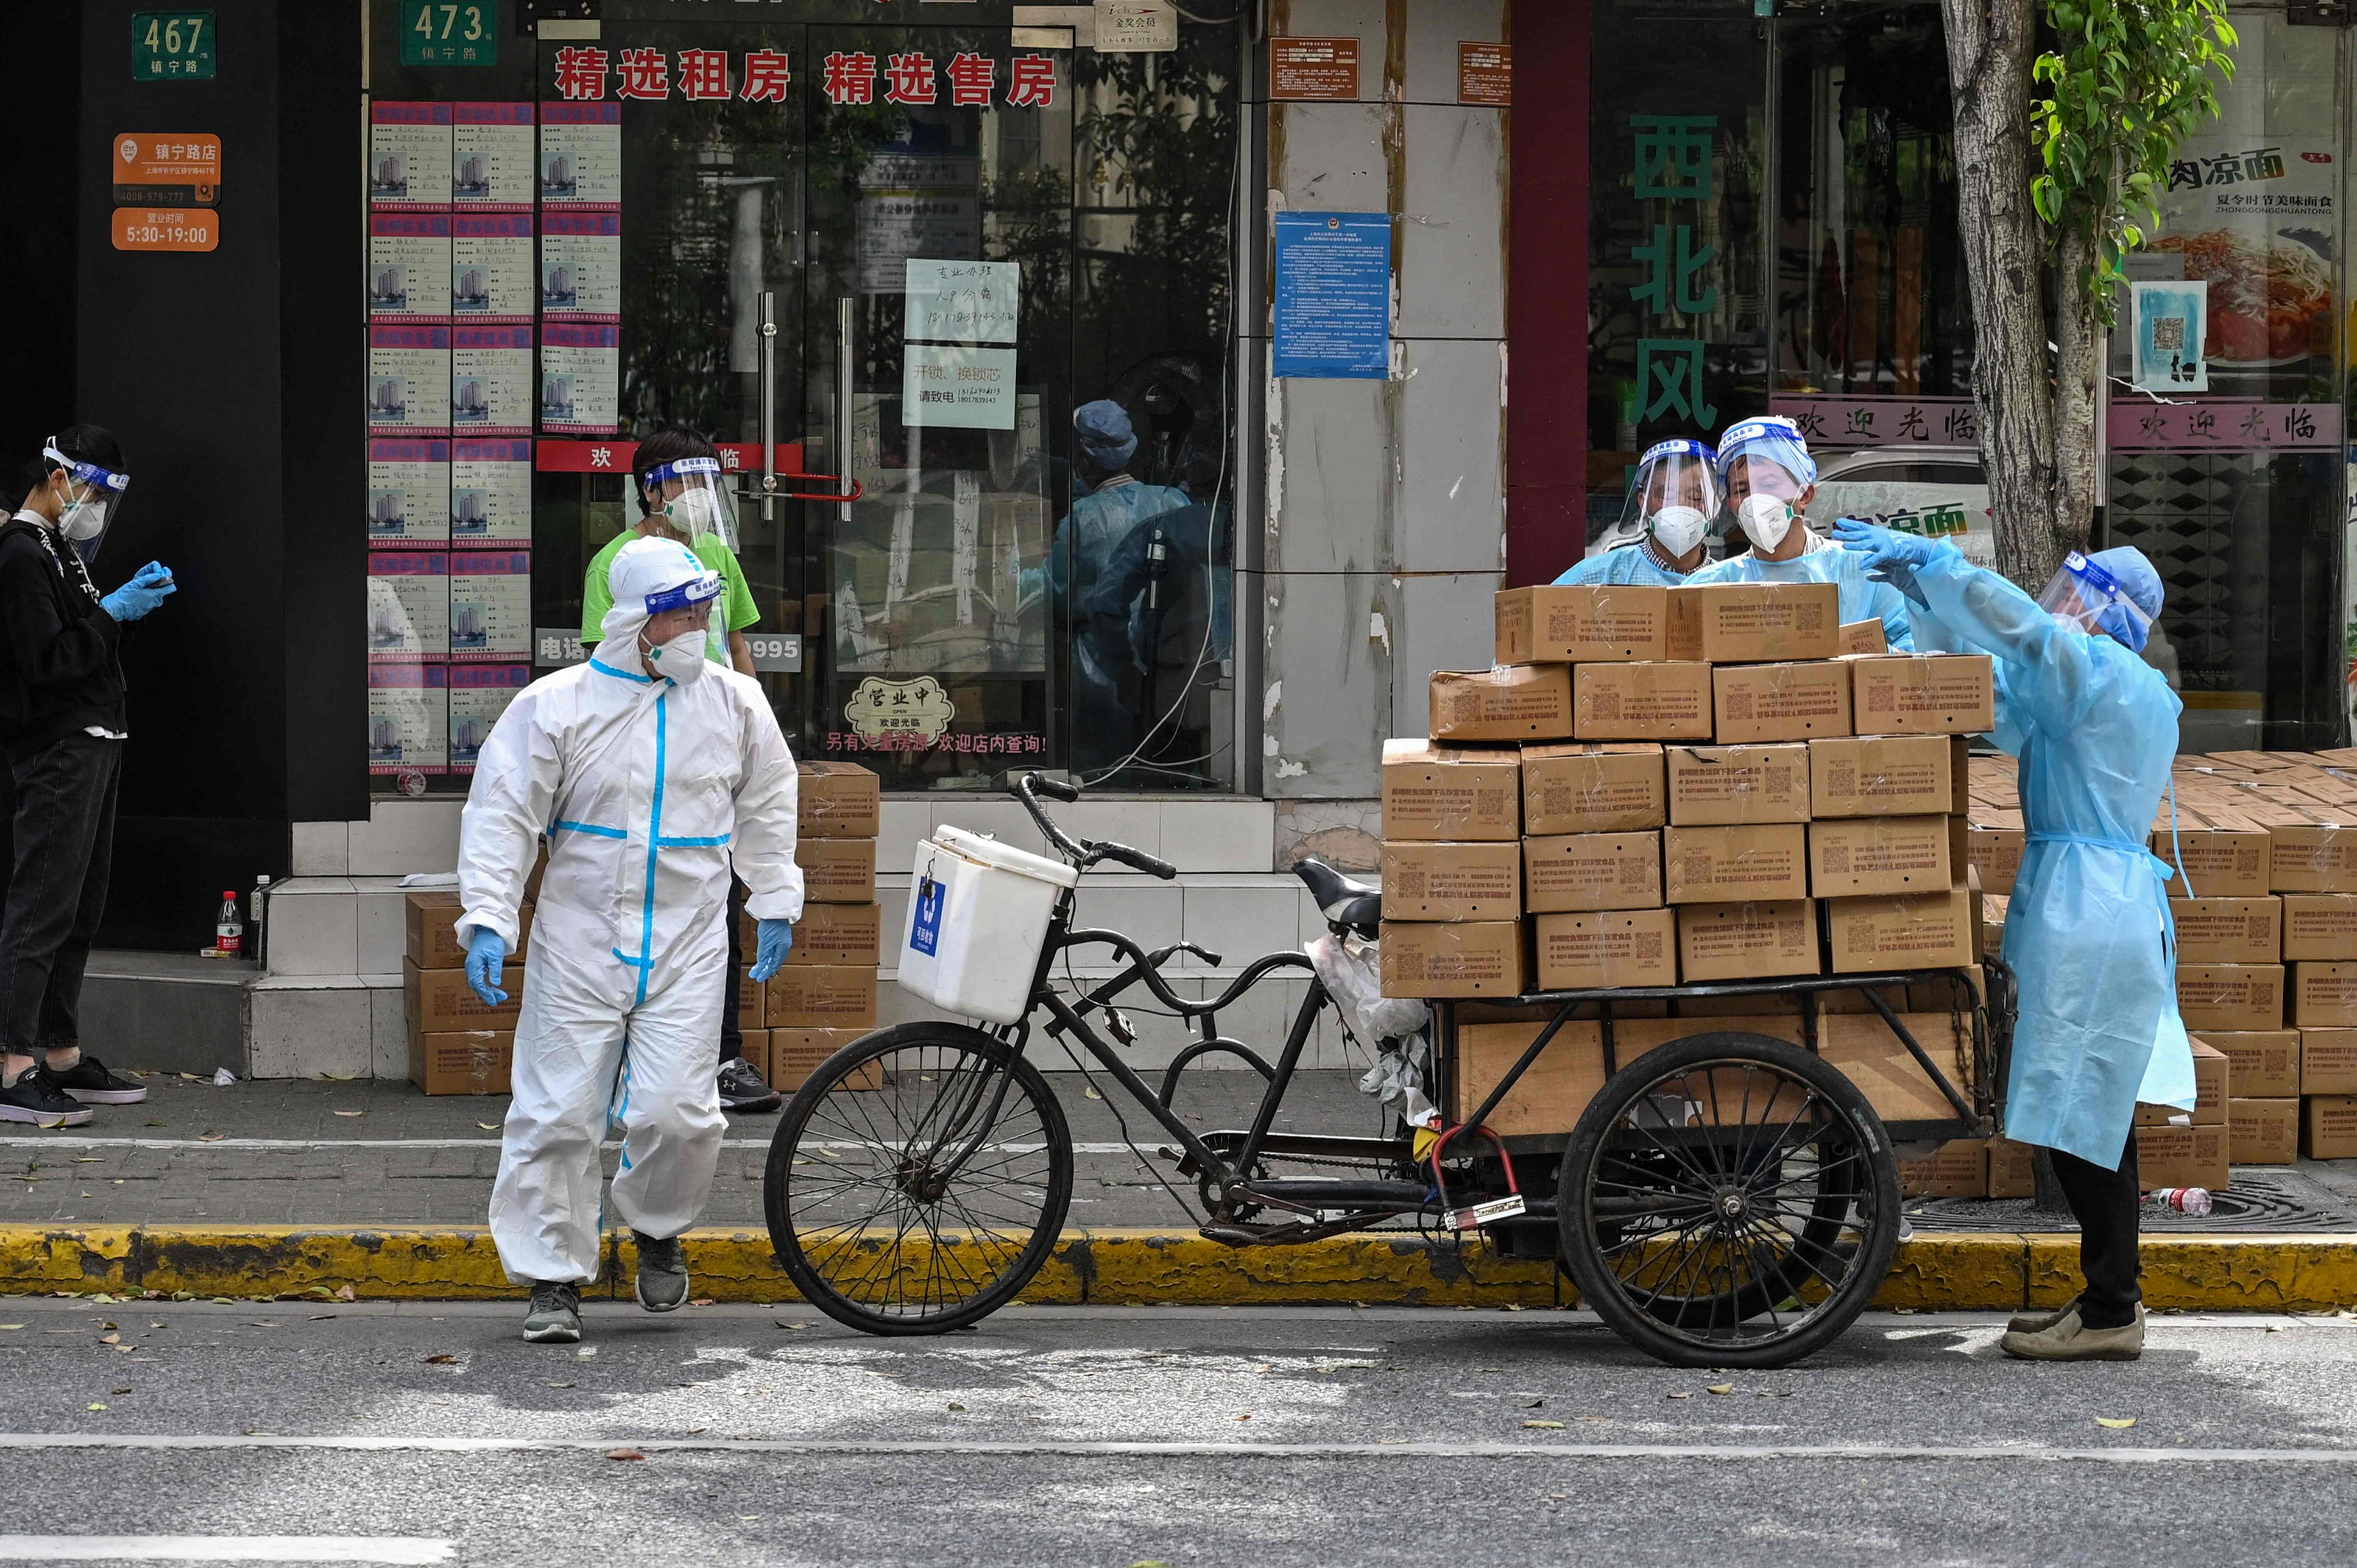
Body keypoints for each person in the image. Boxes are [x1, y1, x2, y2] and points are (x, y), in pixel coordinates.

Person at [1838, 521, 2186, 1361]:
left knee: (2084, 1113)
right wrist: (1932, 604)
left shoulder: (2105, 674)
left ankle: (2113, 1308)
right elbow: (1998, 691)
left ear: (2110, 616)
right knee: (2088, 1109)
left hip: (2092, 912)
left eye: (2078, 598)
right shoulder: (2103, 685)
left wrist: (1949, 566)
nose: (2061, 609)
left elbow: (2028, 640)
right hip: (2090, 901)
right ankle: (2110, 1298)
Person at [460, 537, 804, 1344]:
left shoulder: (735, 703)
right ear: (635, 622)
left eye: (703, 609)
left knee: (680, 1112)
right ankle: (552, 1277)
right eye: (680, 611)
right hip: (580, 935)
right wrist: (487, 915)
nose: (698, 625)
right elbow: (504, 813)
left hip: (689, 939)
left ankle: (656, 1224)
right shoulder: (557, 706)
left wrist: (777, 895)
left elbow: (769, 800)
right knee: (557, 1111)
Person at [580, 427, 780, 1115]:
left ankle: (721, 1053)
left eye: (707, 484)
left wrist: (760, 736)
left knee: (715, 912)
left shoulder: (717, 551)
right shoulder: (615, 562)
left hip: (711, 757)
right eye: (686, 483)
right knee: (630, 903)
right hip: (645, 760)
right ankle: (619, 1057)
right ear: (650, 488)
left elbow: (736, 646)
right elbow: (598, 671)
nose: (699, 497)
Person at [0, 428, 170, 1125]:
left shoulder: (58, 550)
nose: (97, 506)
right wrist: (111, 611)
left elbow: (87, 646)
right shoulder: (19, 553)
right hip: (60, 744)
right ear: (59, 477)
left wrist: (126, 613)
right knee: (42, 905)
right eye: (94, 492)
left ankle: (62, 1049)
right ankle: (13, 1064)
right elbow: (49, 662)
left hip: (98, 737)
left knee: (79, 906)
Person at [1685, 416, 1914, 649]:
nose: (1755, 500)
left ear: (1805, 495)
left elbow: (1910, 649)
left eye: (1769, 485)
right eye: (1742, 490)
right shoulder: (1710, 587)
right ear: (1732, 505)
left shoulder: (1863, 572)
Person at [1555, 438, 1721, 586]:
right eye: (1666, 496)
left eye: (1697, 497)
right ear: (1643, 502)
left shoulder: (1730, 582)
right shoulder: (1598, 576)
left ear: (1716, 507)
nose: (1682, 506)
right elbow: (1545, 611)